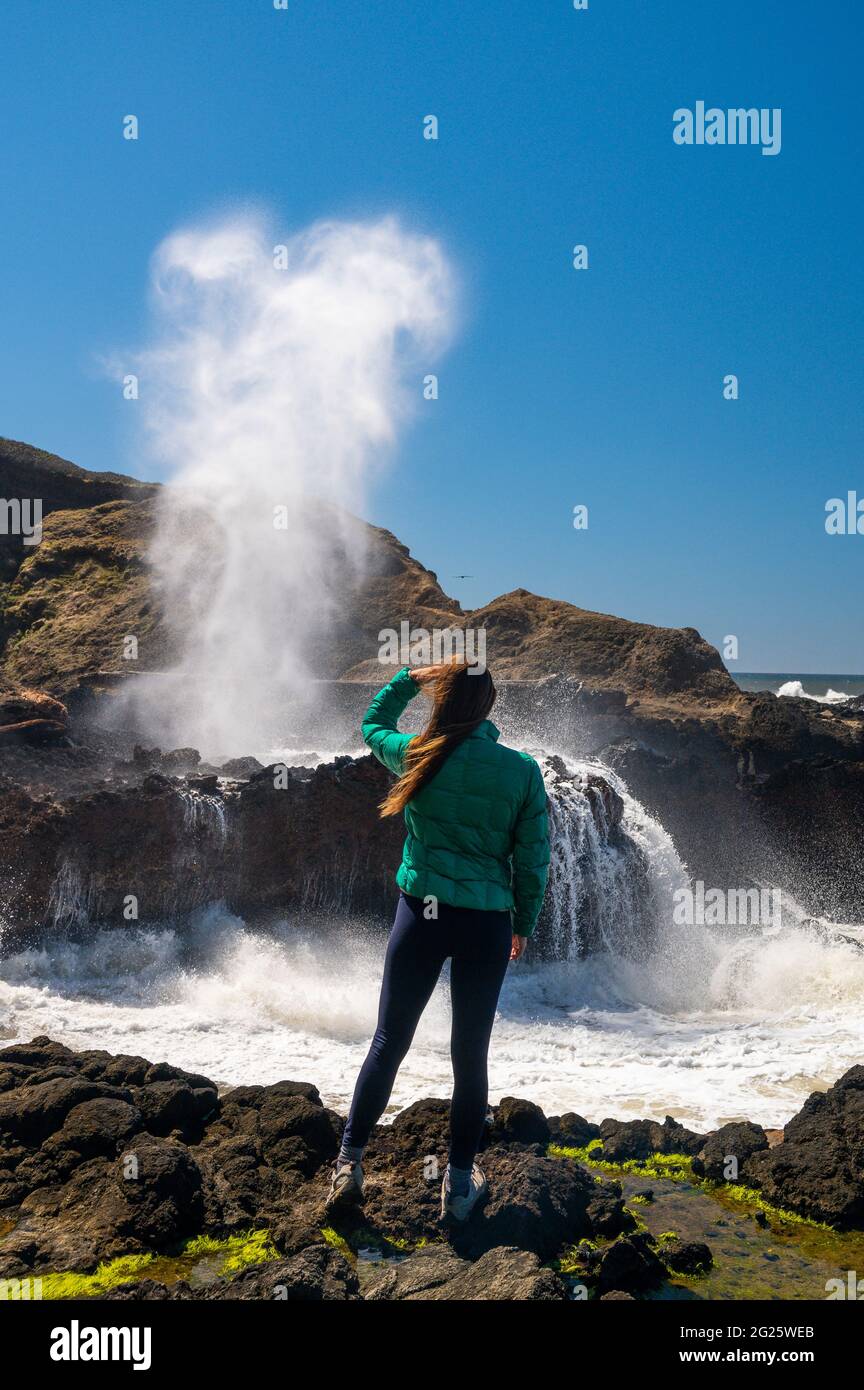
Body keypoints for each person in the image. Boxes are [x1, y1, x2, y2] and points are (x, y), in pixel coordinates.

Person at [327, 659, 550, 1223]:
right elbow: (533, 860)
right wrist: (523, 922)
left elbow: (372, 723)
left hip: (420, 915)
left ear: (443, 702)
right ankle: (457, 1185)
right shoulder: (521, 771)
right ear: (490, 708)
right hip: (486, 921)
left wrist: (409, 678)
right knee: (469, 1055)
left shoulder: (418, 753)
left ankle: (348, 1165)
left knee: (389, 1041)